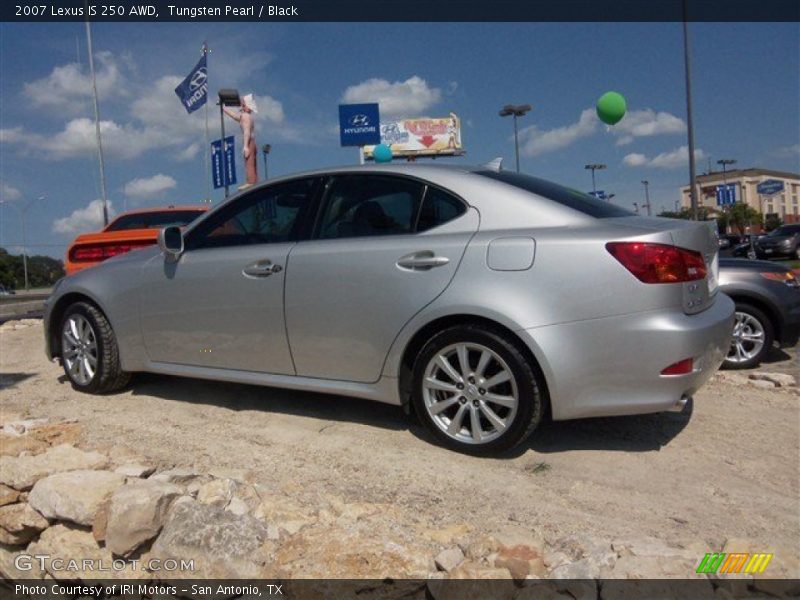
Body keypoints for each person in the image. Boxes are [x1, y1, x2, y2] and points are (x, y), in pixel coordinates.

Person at [223, 93, 258, 189]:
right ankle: (254, 181)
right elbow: (235, 116)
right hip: (252, 141)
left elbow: (246, 132)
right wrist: (224, 109)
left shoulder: (246, 117)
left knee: (249, 162)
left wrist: (245, 146)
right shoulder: (245, 116)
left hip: (249, 141)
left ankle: (251, 182)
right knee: (252, 162)